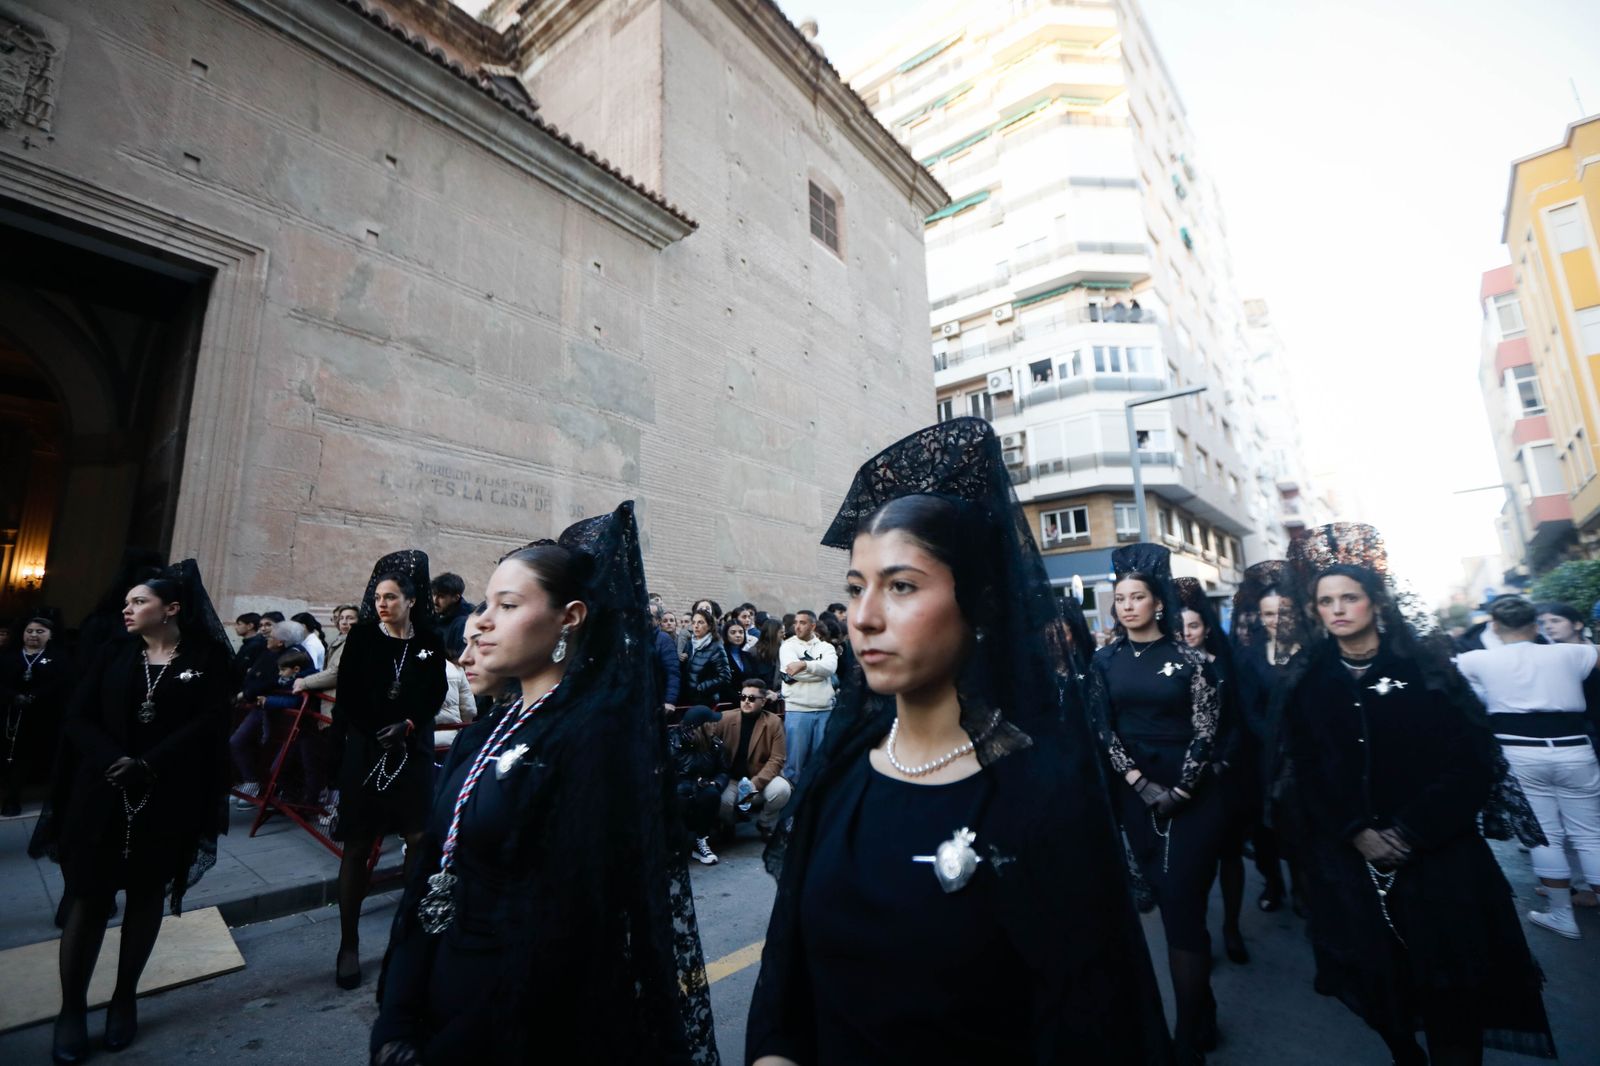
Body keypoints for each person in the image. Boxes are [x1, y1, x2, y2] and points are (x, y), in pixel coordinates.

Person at [747, 418, 1170, 1065]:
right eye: (856, 589)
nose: (864, 617)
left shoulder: (1040, 798)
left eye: (902, 586)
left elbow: (1089, 1022)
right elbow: (790, 977)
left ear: (981, 604)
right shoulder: (840, 779)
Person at [371, 503, 718, 1065]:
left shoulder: (592, 743)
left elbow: (568, 935)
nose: (478, 621)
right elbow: (429, 880)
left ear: (570, 618)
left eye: (506, 606)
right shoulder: (479, 736)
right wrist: (395, 1020)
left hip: (519, 1029)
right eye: (485, 603)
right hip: (438, 994)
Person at [1271, 523, 1554, 1064]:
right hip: (1350, 864)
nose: (1337, 609)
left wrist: (1408, 830)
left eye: (1348, 597)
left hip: (1439, 860)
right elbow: (1305, 770)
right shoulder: (1307, 682)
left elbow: (1471, 761)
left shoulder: (1424, 668)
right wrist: (1356, 831)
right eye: (1325, 600)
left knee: (1451, 992)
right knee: (1379, 984)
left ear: (1375, 602)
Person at [43, 560, 233, 1061]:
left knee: (147, 895)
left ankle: (124, 997)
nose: (126, 609)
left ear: (171, 609)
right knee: (87, 897)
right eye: (127, 602)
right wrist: (114, 760)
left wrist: (149, 763)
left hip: (166, 793)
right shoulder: (111, 652)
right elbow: (77, 716)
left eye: (138, 602)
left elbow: (210, 723)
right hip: (103, 790)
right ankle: (71, 1010)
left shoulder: (207, 657)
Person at [1093, 544, 1224, 1064]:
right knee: (1163, 902)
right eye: (1120, 598)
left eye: (1137, 597)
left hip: (1191, 799)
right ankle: (1205, 1007)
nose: (1127, 606)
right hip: (1135, 797)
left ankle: (1187, 1034)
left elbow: (1206, 728)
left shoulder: (1193, 660)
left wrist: (1183, 788)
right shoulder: (1102, 660)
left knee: (1183, 910)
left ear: (1158, 603)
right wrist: (1138, 781)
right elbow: (1102, 726)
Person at [332, 552, 447, 991]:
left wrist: (410, 724)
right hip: (367, 750)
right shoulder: (362, 638)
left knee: (417, 838)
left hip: (411, 750)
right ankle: (348, 944)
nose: (382, 604)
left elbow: (433, 691)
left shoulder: (429, 642)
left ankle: (407, 935)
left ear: (411, 601)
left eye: (391, 597)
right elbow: (349, 696)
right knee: (358, 845)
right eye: (378, 597)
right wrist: (379, 730)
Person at [1456, 596, 1600, 939]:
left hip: (1519, 752)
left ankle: (1561, 915)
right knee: (1591, 835)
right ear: (1535, 626)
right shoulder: (1572, 653)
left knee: (1543, 836)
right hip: (1574, 747)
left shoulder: (1477, 659)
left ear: (1494, 626)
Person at [1229, 561, 1305, 916]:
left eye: (1282, 611)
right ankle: (1273, 882)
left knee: (1306, 826)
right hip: (1262, 757)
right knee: (1266, 828)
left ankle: (1306, 888)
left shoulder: (1311, 651)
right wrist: (1277, 741)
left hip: (1307, 756)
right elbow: (1249, 709)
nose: (1276, 619)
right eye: (1268, 613)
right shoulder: (1249, 656)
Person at [0, 611, 70, 817]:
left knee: (24, 758)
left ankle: (13, 798)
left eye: (40, 631)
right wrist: (13, 696)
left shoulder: (59, 659)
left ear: (51, 634)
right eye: (29, 631)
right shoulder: (8, 656)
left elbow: (62, 685)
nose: (33, 635)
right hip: (7, 713)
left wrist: (35, 697)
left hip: (38, 717)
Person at [710, 679, 789, 839]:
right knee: (718, 799)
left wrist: (755, 783)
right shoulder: (724, 718)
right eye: (743, 697)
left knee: (782, 790)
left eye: (752, 698)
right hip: (731, 780)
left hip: (759, 779)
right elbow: (706, 742)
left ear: (763, 701)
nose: (746, 701)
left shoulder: (774, 722)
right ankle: (729, 823)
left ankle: (765, 823)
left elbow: (777, 759)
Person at [778, 609, 836, 784]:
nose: (797, 626)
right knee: (793, 766)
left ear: (813, 625)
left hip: (825, 710)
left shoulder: (827, 647)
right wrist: (819, 671)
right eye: (795, 623)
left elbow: (830, 668)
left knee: (819, 764)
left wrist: (803, 664)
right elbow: (790, 672)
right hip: (798, 710)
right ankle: (791, 805)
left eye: (802, 623)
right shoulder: (787, 646)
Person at [673, 704, 729, 866]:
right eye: (711, 722)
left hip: (703, 785)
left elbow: (723, 771)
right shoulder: (674, 742)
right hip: (679, 787)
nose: (715, 725)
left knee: (711, 794)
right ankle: (674, 846)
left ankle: (701, 841)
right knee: (679, 798)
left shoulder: (715, 745)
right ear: (701, 727)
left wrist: (716, 783)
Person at [682, 607, 731, 707]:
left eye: (700, 622)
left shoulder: (716, 647)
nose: (696, 626)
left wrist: (701, 688)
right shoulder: (689, 644)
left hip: (706, 701)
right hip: (688, 699)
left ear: (709, 626)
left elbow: (725, 677)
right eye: (694, 622)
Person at [431, 573, 476, 659]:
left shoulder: (463, 624)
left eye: (441, 597)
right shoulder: (440, 610)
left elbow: (461, 662)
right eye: (434, 594)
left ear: (456, 598)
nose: (435, 601)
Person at [723, 617, 765, 698]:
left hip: (749, 700)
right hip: (727, 702)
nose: (738, 635)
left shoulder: (748, 656)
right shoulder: (720, 656)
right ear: (726, 635)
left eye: (741, 632)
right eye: (733, 632)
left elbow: (755, 679)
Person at [652, 602, 682, 714]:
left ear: (658, 620)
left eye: (649, 616)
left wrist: (670, 700)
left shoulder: (664, 639)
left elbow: (673, 671)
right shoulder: (637, 638)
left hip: (656, 698)